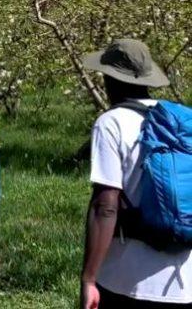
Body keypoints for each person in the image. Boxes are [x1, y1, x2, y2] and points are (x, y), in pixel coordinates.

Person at [80, 39, 192, 308]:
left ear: (110, 79)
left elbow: (106, 207)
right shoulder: (181, 120)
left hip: (127, 280)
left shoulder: (111, 122)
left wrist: (89, 279)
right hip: (184, 281)